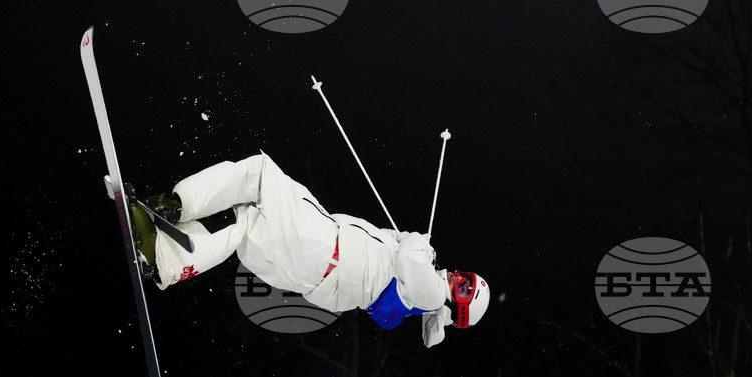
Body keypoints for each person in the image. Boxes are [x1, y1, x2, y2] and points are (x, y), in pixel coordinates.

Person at [130, 152, 489, 347]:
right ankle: (164, 255)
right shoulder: (417, 289)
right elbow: (393, 247)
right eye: (466, 277)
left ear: (457, 307)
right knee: (245, 222)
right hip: (314, 261)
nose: (457, 277)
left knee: (260, 173)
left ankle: (175, 211)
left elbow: (410, 254)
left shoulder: (430, 293)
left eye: (464, 288)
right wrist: (403, 241)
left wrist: (416, 242)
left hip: (322, 252)